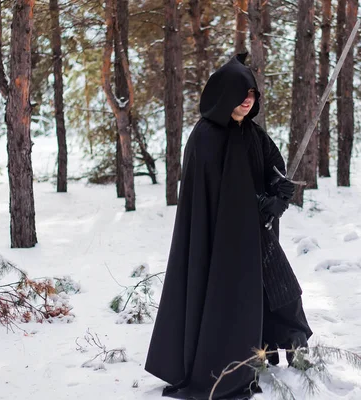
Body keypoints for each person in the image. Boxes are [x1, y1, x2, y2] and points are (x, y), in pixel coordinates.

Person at [145, 53, 312, 400]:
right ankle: (223, 370)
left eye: (252, 94)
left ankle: (285, 350)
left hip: (256, 238)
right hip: (218, 245)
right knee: (229, 303)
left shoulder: (252, 134)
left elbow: (272, 170)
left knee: (284, 291)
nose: (248, 100)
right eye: (241, 93)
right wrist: (256, 204)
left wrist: (278, 194)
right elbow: (218, 196)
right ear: (224, 95)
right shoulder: (205, 138)